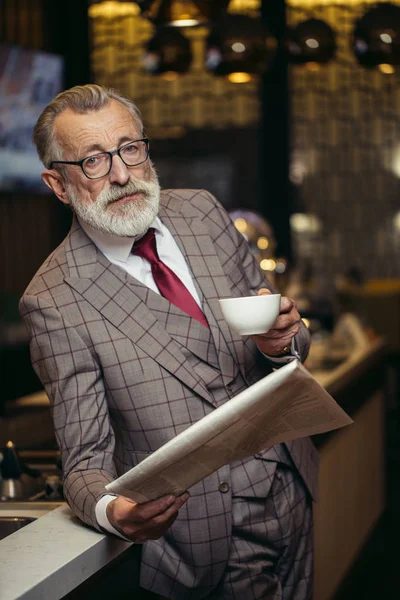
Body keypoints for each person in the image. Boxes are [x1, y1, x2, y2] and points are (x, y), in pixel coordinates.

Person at [20, 84, 319, 600]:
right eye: (93, 160)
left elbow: (286, 340)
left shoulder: (202, 212)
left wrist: (282, 342)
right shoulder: (55, 300)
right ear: (58, 184)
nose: (121, 173)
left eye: (130, 148)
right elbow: (85, 461)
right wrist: (113, 511)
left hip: (294, 487)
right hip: (201, 539)